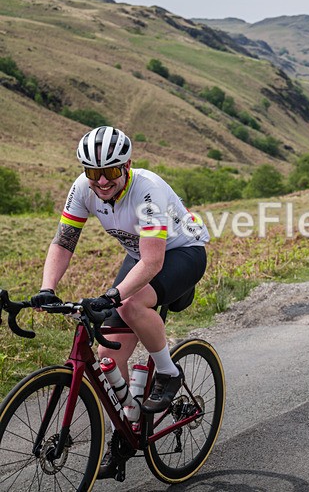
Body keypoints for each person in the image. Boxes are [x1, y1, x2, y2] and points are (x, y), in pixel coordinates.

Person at [30, 126, 210, 479]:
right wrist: (47, 288)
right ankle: (123, 434)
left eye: (110, 171)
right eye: (93, 172)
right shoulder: (83, 188)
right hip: (140, 254)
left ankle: (169, 373)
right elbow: (64, 241)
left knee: (129, 305)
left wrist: (113, 296)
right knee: (108, 356)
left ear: (127, 165)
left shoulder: (147, 190)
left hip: (182, 252)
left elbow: (153, 262)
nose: (101, 181)